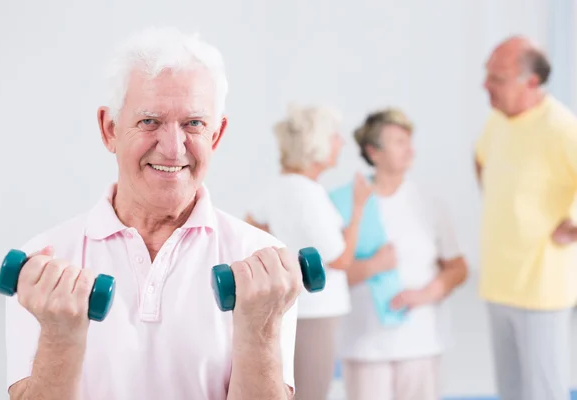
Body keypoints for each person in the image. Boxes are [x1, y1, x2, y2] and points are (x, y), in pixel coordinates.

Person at [5, 27, 303, 400]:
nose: (174, 148)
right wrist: (58, 337)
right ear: (109, 129)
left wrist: (259, 328)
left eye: (193, 124)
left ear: (216, 135)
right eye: (150, 121)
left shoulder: (266, 266)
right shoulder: (39, 266)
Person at [244, 104, 387, 400]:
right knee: (311, 392)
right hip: (315, 312)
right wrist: (358, 206)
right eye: (334, 136)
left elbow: (252, 222)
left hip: (295, 310)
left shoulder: (280, 185)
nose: (341, 143)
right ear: (316, 144)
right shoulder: (308, 194)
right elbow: (341, 259)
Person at [336, 108, 469, 400]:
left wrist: (424, 294)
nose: (410, 149)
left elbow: (457, 268)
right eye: (398, 141)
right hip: (364, 344)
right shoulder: (345, 203)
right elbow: (331, 277)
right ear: (373, 151)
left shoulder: (429, 203)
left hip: (419, 343)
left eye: (409, 141)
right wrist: (373, 265)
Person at [475, 35, 577, 400]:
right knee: (512, 393)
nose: (486, 86)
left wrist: (572, 225)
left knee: (544, 394)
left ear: (531, 82)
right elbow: (481, 159)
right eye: (487, 76)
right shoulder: (497, 121)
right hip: (499, 283)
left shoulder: (562, 127)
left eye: (497, 79)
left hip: (542, 289)